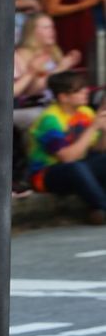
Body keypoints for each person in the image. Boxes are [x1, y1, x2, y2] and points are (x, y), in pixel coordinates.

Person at [28, 71, 106, 226]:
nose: (86, 92)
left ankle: (98, 211)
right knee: (76, 168)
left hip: (80, 164)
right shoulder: (50, 120)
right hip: (46, 174)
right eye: (78, 90)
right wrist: (93, 127)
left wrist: (104, 130)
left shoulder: (85, 113)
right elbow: (66, 158)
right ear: (63, 97)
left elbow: (98, 149)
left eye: (85, 88)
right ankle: (101, 207)